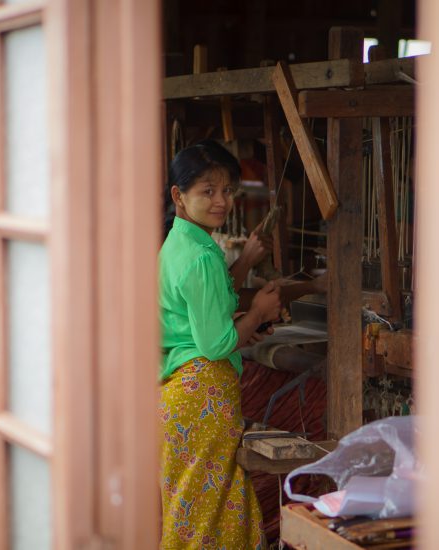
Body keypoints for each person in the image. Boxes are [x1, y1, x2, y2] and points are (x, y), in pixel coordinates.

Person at [158, 141, 280, 549]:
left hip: (181, 395)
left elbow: (205, 322)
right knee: (212, 517)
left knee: (196, 514)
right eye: (207, 191)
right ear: (179, 195)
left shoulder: (179, 244)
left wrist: (245, 314)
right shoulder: (200, 257)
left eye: (227, 190)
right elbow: (215, 344)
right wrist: (258, 313)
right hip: (204, 393)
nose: (221, 200)